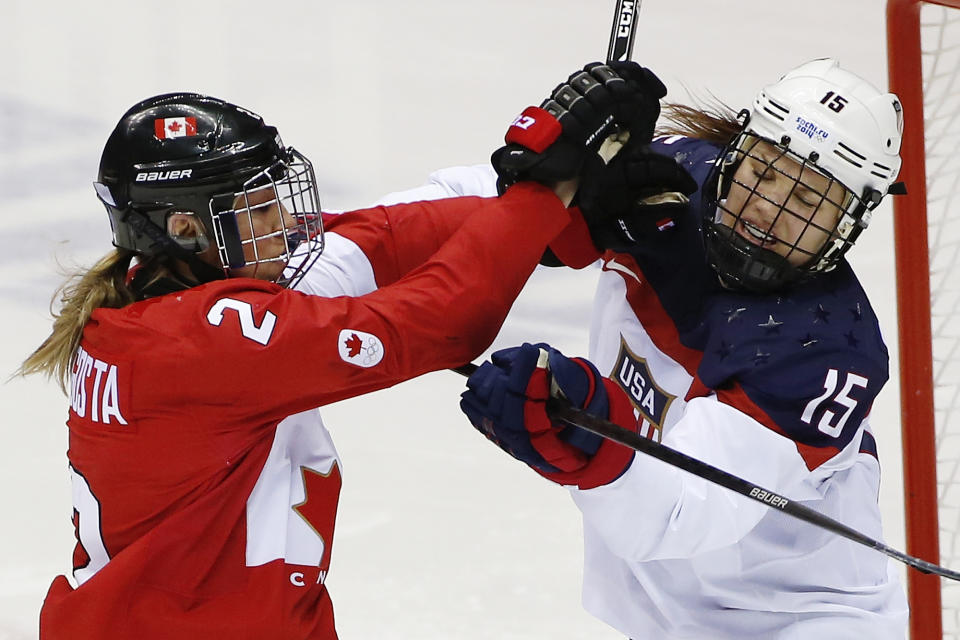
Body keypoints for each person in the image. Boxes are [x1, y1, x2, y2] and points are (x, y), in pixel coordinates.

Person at [18, 63, 694, 639]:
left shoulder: (181, 294)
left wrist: (558, 215)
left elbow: (378, 240)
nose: (283, 224)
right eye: (257, 209)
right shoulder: (195, 341)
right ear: (187, 226)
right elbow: (436, 323)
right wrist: (545, 192)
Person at [452, 58, 910, 638]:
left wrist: (588, 430)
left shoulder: (823, 351)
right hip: (662, 611)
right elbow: (460, 214)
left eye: (808, 203)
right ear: (739, 150)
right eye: (764, 173)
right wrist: (541, 184)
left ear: (850, 222)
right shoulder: (662, 184)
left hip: (803, 622)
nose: (768, 208)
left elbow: (678, 513)